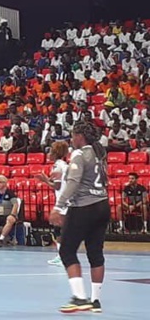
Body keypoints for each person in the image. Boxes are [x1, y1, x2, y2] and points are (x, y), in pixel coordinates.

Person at [49, 121, 111, 313]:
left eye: (73, 135)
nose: (71, 139)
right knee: (95, 253)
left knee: (67, 251)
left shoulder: (79, 154)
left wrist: (58, 206)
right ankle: (95, 301)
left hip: (84, 206)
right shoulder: (99, 153)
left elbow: (74, 182)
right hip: (102, 204)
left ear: (79, 137)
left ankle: (79, 298)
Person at [36, 140, 69, 266]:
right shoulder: (64, 165)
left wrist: (45, 180)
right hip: (66, 200)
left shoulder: (57, 166)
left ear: (55, 153)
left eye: (50, 151)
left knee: (59, 229)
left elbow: (57, 186)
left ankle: (63, 256)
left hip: (63, 202)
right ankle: (62, 255)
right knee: (60, 229)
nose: (48, 154)